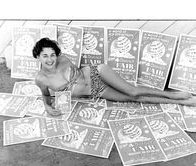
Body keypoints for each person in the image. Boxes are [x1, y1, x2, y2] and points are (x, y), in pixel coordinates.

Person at [32, 37, 196, 116]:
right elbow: (46, 95)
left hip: (97, 72)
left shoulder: (63, 59)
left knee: (134, 92)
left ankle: (176, 95)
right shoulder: (41, 79)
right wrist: (47, 107)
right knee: (134, 99)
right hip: (95, 90)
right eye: (45, 56)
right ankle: (181, 102)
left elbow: (80, 71)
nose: (50, 59)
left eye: (52, 55)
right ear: (38, 56)